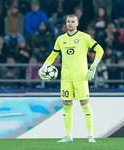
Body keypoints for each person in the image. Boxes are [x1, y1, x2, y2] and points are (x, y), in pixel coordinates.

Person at [38, 14, 104, 142]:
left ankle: (91, 135)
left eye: (73, 21)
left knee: (84, 104)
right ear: (66, 23)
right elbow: (53, 55)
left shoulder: (84, 37)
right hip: (66, 78)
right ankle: (68, 136)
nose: (70, 24)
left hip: (80, 77)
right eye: (68, 21)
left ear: (77, 23)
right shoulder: (60, 39)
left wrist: (94, 66)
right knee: (67, 104)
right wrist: (44, 67)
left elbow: (100, 50)